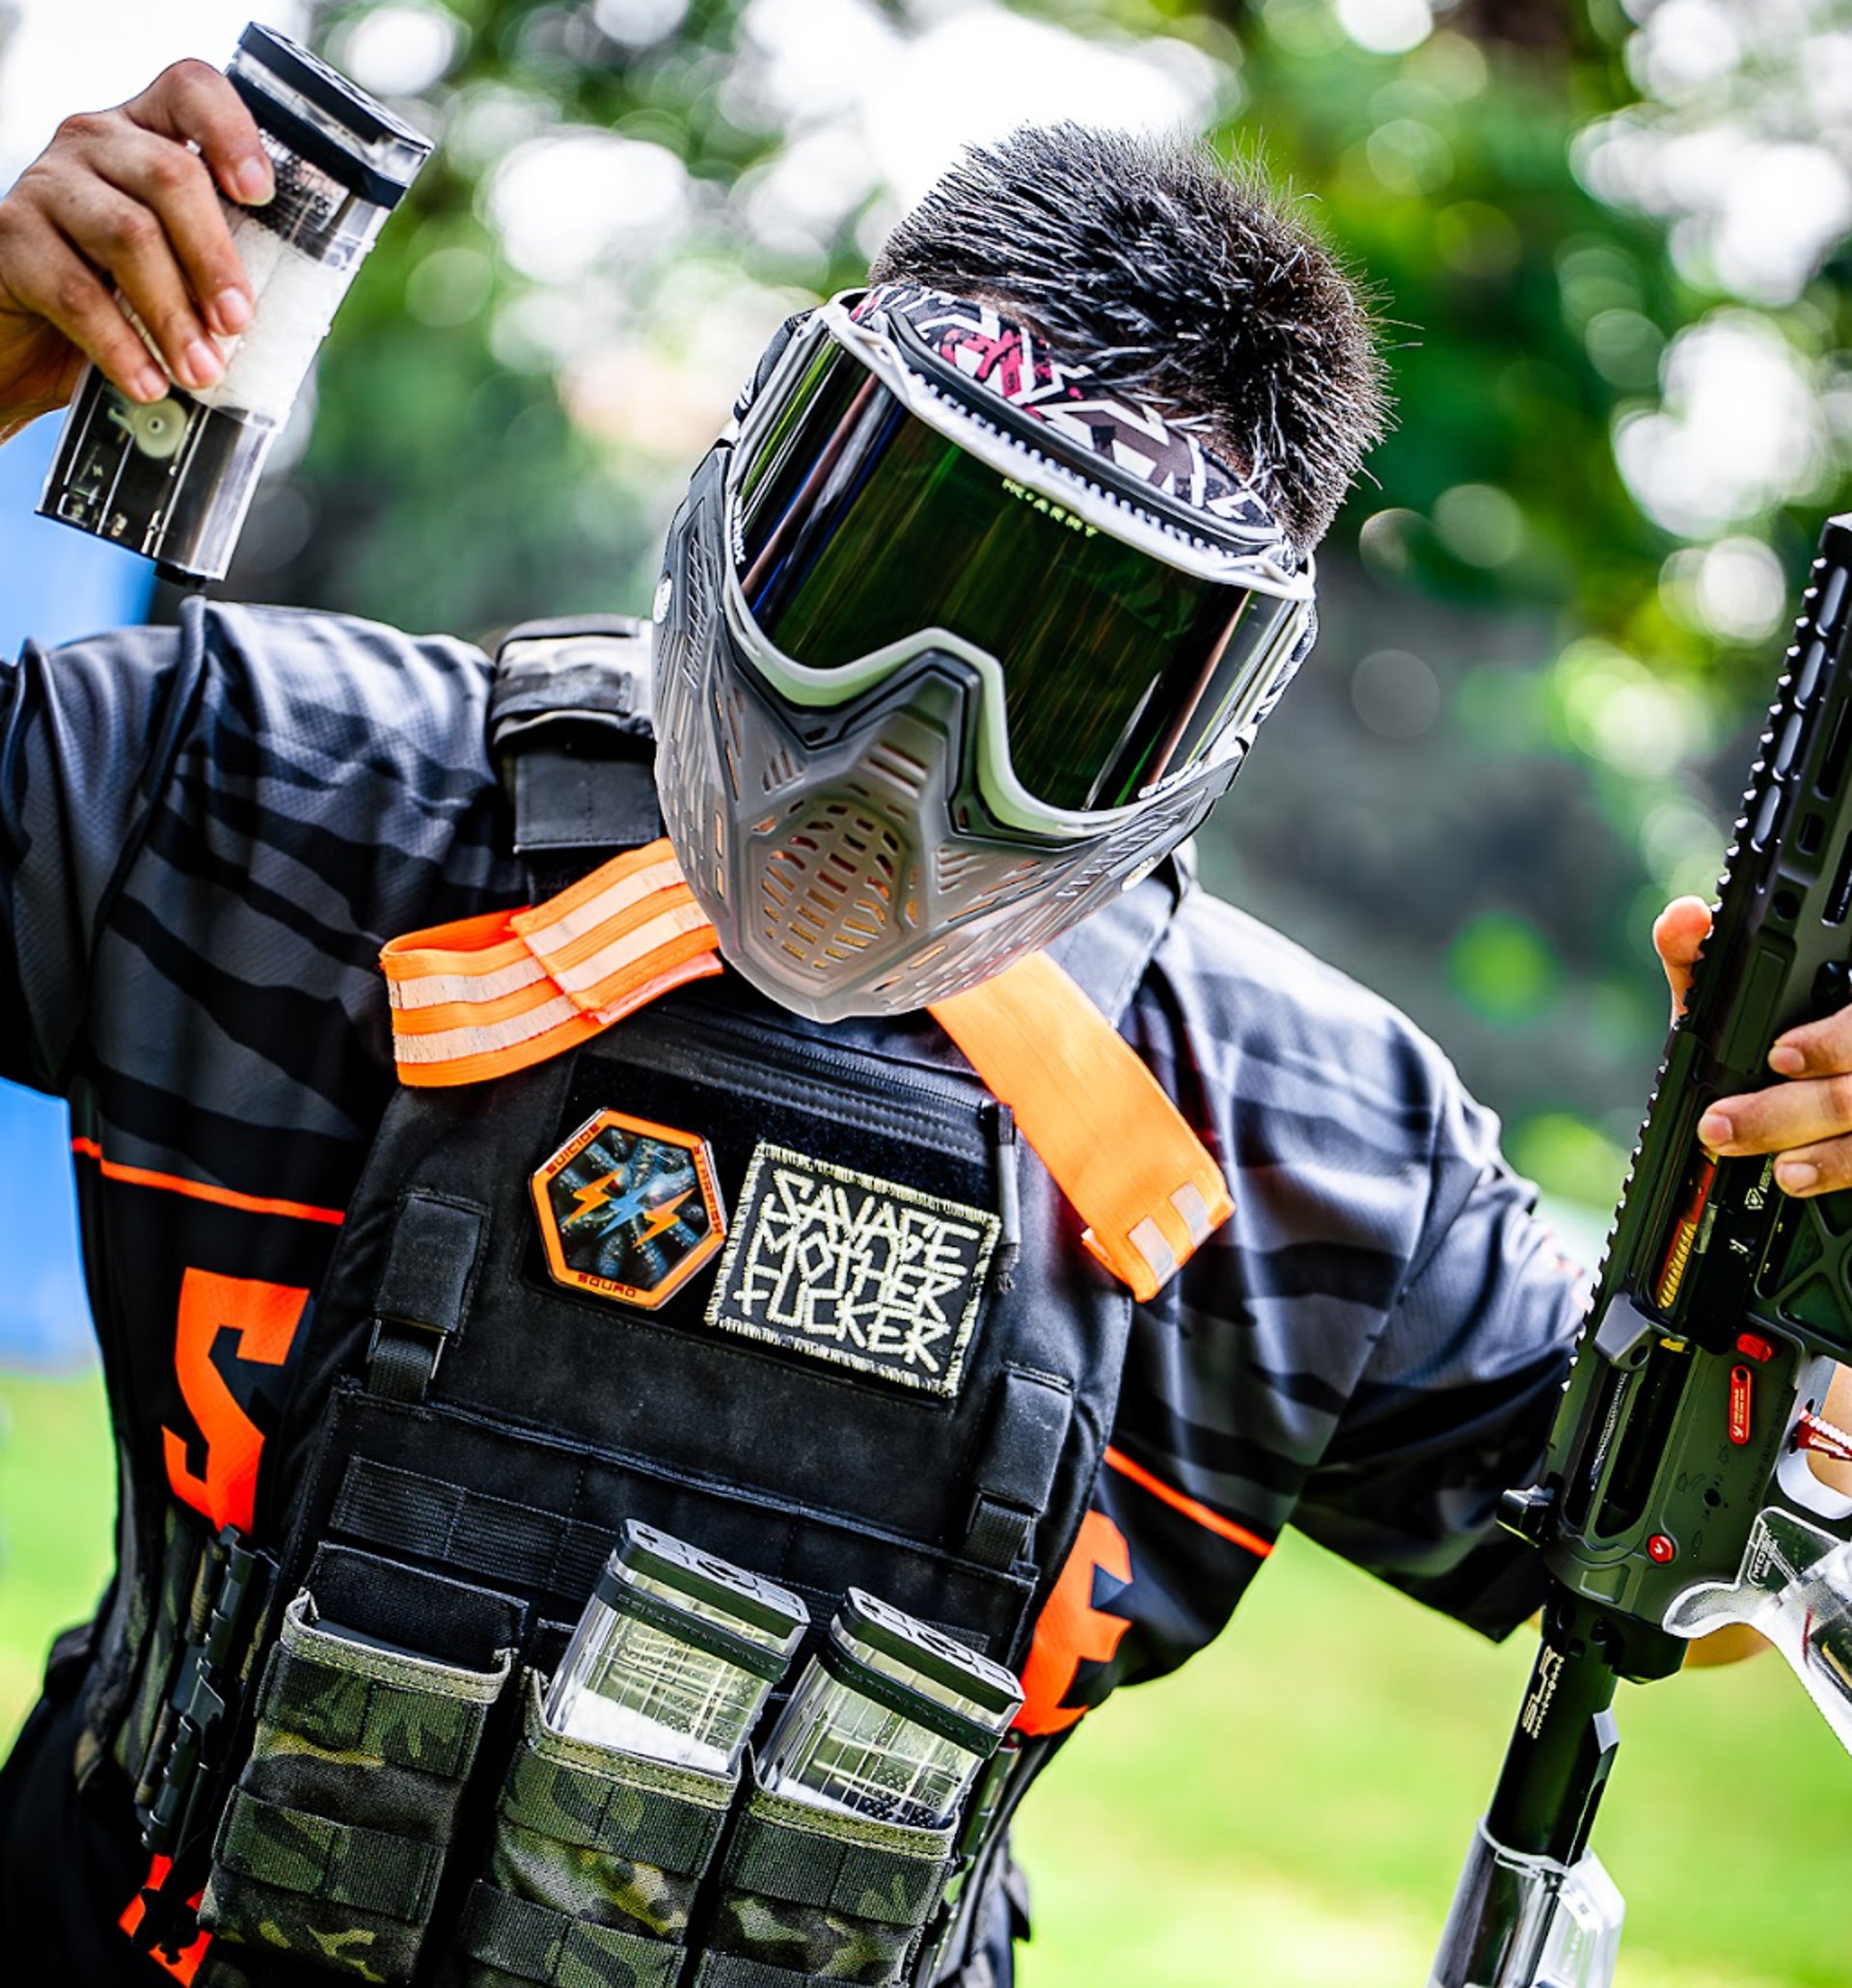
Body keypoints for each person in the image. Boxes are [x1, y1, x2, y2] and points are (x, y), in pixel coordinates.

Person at [1, 54, 1850, 1988]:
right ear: (760, 468)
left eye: (1070, 679)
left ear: (1214, 725)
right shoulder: (265, 790)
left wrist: (1815, 1235)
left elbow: (1697, 1546)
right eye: (887, 571)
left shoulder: (1312, 1149)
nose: (905, 752)